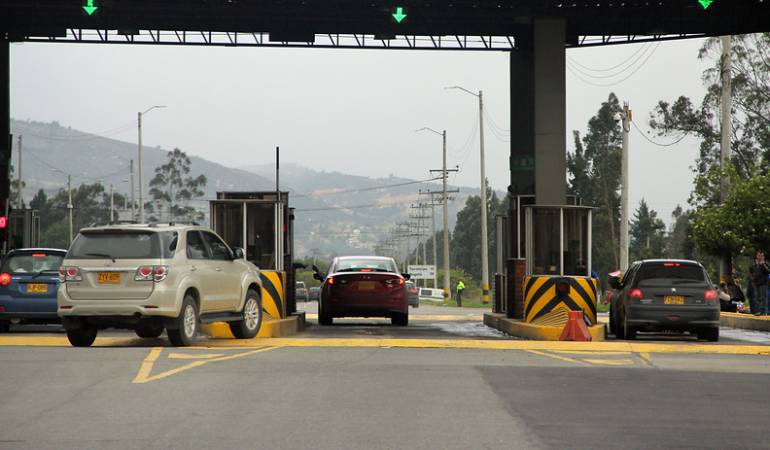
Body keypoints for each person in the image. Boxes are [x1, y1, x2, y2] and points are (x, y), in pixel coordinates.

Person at [750, 250, 770, 316]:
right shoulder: (754, 264)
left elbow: (768, 271)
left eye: (762, 256)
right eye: (759, 255)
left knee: (763, 298)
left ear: (763, 256)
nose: (760, 257)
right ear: (756, 256)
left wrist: (763, 265)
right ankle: (757, 311)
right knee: (756, 298)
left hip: (763, 283)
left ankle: (763, 312)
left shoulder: (766, 263)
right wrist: (752, 278)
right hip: (756, 283)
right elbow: (751, 272)